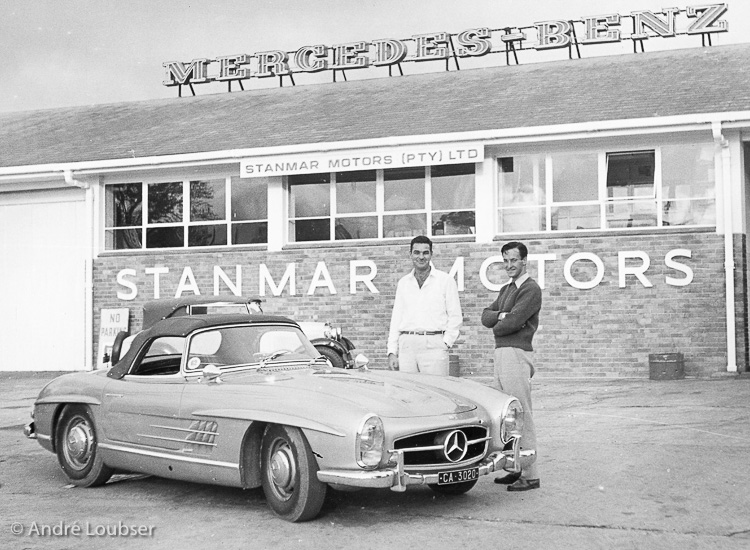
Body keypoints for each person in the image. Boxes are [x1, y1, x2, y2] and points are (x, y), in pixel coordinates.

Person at [481, 241, 542, 492]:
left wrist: (502, 318)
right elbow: (486, 317)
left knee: (521, 412)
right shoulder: (507, 289)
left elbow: (509, 324)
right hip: (502, 353)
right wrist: (501, 316)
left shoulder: (530, 289)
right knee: (506, 413)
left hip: (516, 354)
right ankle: (516, 467)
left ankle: (531, 473)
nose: (509, 265)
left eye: (514, 260)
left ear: (524, 261)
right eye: (505, 261)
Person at [387, 235, 462, 375]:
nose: (421, 257)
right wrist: (392, 351)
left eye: (425, 253)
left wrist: (446, 343)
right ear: (410, 254)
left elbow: (455, 317)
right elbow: (396, 318)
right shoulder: (404, 283)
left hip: (434, 344)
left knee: (435, 392)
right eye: (416, 252)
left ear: (431, 254)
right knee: (407, 393)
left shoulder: (445, 281)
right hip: (407, 345)